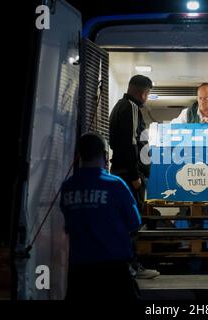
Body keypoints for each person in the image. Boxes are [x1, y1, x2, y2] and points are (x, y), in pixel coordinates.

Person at [60, 133, 141, 301]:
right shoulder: (115, 184)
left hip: (79, 270)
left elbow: (68, 225)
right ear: (105, 155)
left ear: (79, 155)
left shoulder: (68, 187)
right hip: (113, 268)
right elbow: (135, 222)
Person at [109, 74, 160, 279]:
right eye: (147, 93)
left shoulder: (119, 107)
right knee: (131, 223)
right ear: (143, 92)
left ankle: (127, 265)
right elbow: (130, 143)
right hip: (128, 176)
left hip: (123, 174)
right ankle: (131, 266)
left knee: (126, 223)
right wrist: (134, 175)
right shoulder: (130, 107)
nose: (147, 97)